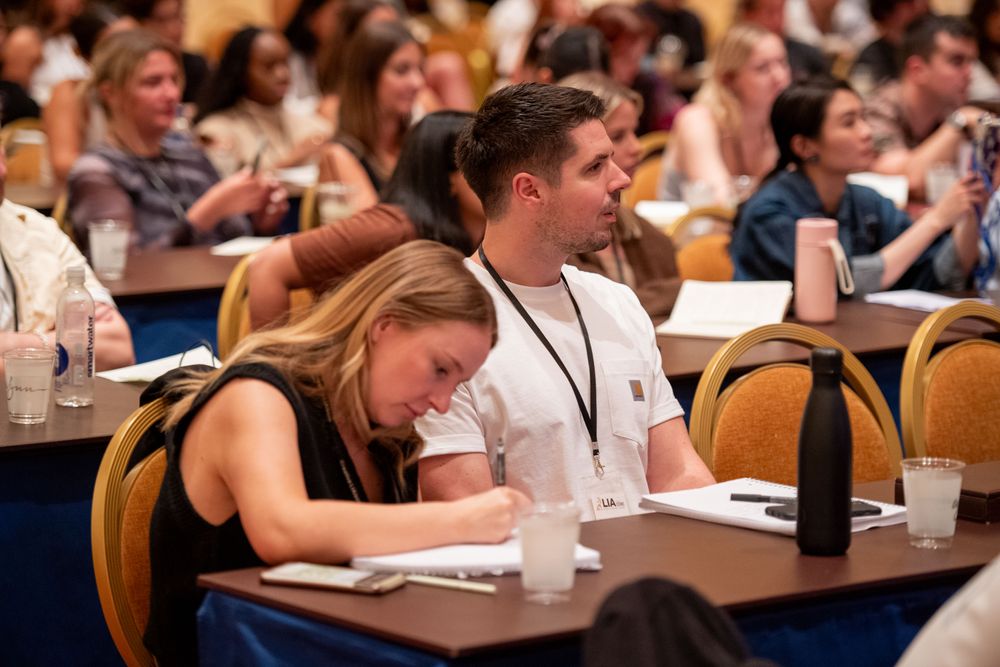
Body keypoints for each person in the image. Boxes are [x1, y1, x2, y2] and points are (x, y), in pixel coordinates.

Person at [145, 240, 530, 666]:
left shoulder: (388, 431)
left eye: (455, 384)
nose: (441, 403)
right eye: (439, 369)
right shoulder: (255, 394)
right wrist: (462, 519)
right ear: (383, 326)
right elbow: (282, 531)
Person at [416, 83, 715, 522]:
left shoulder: (617, 302)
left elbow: (678, 475)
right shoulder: (442, 324)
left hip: (648, 556)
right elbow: (469, 517)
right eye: (595, 167)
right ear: (530, 190)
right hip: (540, 562)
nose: (622, 178)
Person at [732, 78, 984, 296]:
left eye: (863, 118)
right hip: (778, 337)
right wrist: (934, 220)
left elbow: (934, 272)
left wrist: (974, 208)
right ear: (804, 146)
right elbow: (839, 285)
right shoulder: (769, 212)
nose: (866, 132)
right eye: (849, 123)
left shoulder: (866, 202)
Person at [247, 111, 483, 329]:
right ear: (448, 180)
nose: (496, 180)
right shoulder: (392, 229)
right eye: (483, 168)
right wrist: (272, 361)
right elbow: (268, 264)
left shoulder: (480, 234)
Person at [67, 30, 287, 252]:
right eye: (153, 82)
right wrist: (205, 215)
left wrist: (261, 223)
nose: (171, 93)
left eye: (174, 80)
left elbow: (234, 241)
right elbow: (121, 263)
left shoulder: (189, 153)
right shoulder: (97, 171)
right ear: (110, 93)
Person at [0, 146, 134, 372]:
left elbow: (117, 348)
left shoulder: (37, 229)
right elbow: (89, 350)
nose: (2, 171)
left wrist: (14, 343)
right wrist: (64, 341)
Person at [560, 72, 682, 316]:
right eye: (618, 136)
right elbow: (597, 307)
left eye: (634, 132)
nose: (637, 147)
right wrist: (675, 293)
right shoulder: (553, 237)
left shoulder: (646, 235)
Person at [657, 22, 791, 205]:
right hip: (692, 222)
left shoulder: (782, 121)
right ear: (728, 78)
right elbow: (718, 201)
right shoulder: (697, 120)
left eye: (782, 63)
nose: (780, 76)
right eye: (762, 68)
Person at [866, 15, 985, 199]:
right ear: (917, 70)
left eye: (971, 62)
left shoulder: (951, 111)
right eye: (957, 61)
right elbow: (910, 181)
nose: (969, 74)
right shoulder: (878, 110)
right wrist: (959, 122)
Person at [193, 26, 331, 175]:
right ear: (241, 72)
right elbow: (223, 185)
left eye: (285, 63)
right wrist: (291, 161)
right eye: (269, 66)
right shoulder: (216, 130)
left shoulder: (312, 125)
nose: (282, 74)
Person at [319, 20, 424, 210]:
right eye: (401, 70)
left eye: (420, 69)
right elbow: (375, 225)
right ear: (367, 77)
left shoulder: (415, 142)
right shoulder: (340, 154)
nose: (418, 82)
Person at [43, 3, 136, 186]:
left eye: (135, 41)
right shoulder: (71, 92)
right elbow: (63, 163)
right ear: (85, 55)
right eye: (115, 47)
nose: (131, 55)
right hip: (86, 191)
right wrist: (132, 174)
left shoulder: (146, 90)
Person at [120, 0, 212, 107]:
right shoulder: (125, 66)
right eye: (162, 20)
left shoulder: (195, 64)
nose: (175, 29)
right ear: (140, 25)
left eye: (178, 16)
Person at [739, 0, 829, 83]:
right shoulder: (737, 55)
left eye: (781, 11)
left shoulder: (809, 55)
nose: (777, 20)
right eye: (769, 12)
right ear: (748, 14)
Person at [850, 0, 928, 88]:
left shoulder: (926, 46)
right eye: (909, 3)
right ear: (887, 12)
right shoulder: (870, 58)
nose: (918, 7)